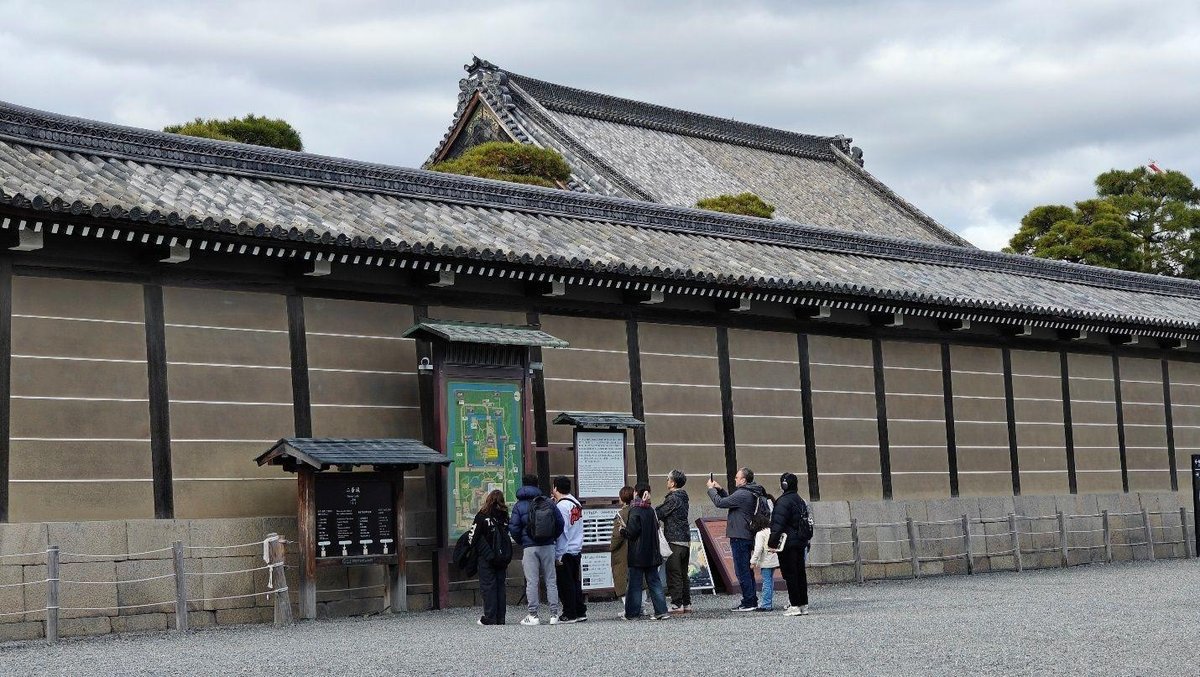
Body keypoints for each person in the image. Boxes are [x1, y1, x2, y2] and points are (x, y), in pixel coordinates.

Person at [707, 467, 766, 611]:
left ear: (744, 480)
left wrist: (711, 489)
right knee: (747, 570)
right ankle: (751, 599)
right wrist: (720, 489)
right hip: (746, 534)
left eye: (737, 477)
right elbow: (730, 501)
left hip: (739, 536)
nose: (735, 479)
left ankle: (749, 601)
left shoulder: (742, 493)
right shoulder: (750, 491)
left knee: (742, 570)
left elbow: (720, 503)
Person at [510, 473, 565, 626]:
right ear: (537, 485)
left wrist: (522, 541)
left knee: (532, 581)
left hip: (529, 547)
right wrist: (552, 537)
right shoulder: (548, 502)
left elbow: (514, 527)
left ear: (523, 485)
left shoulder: (519, 505)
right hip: (548, 545)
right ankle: (554, 614)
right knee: (551, 580)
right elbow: (560, 523)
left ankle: (533, 615)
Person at [619, 483, 670, 621]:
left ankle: (632, 614)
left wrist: (623, 530)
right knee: (654, 583)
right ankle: (661, 611)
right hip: (652, 552)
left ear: (636, 492)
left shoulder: (635, 510)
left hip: (637, 554)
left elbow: (632, 532)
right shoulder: (650, 510)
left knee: (635, 585)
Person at [770, 472, 811, 616]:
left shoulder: (783, 501)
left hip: (787, 542)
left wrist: (772, 543)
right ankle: (803, 604)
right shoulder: (800, 500)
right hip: (800, 540)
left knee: (790, 574)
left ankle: (794, 605)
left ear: (784, 485)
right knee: (800, 573)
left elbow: (777, 524)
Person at [473, 489, 512, 625]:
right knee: (500, 586)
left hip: (486, 556)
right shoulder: (504, 516)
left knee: (488, 586)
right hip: (502, 557)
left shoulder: (482, 516)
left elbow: (473, 537)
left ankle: (490, 617)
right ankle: (501, 618)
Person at [552, 475, 587, 623]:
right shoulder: (575, 503)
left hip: (565, 550)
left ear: (555, 488)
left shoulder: (561, 506)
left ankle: (569, 613)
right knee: (575, 582)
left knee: (565, 584)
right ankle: (580, 610)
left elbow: (562, 530)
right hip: (576, 547)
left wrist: (558, 554)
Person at [655, 469, 691, 613]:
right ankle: (687, 603)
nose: (667, 481)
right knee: (683, 574)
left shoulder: (673, 498)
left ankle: (677, 604)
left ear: (673, 483)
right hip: (685, 540)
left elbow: (659, 512)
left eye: (668, 479)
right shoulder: (684, 497)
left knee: (674, 573)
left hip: (674, 540)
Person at [750, 493, 779, 612]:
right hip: (774, 559)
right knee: (770, 581)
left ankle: (766, 604)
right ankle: (768, 602)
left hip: (765, 561)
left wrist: (753, 561)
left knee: (766, 582)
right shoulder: (770, 530)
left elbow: (758, 549)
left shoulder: (760, 534)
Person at [608, 486, 635, 605]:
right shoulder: (637, 511)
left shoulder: (621, 514)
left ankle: (627, 607)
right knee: (640, 580)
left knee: (621, 578)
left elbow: (617, 535)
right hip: (637, 549)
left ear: (622, 498)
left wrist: (611, 547)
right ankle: (641, 607)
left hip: (623, 550)